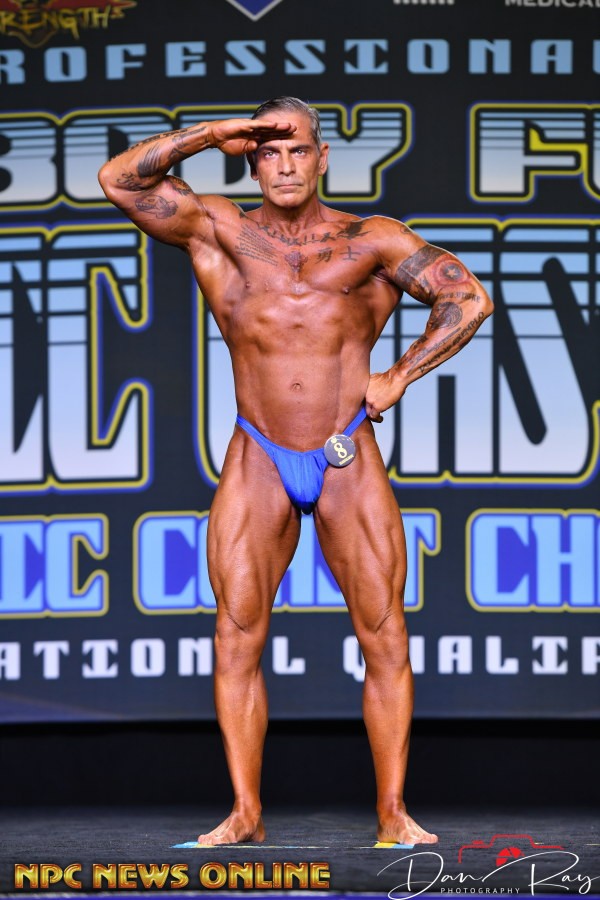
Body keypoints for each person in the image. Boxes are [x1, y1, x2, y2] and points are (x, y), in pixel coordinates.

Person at [98, 96, 493, 847]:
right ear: (252, 160)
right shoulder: (219, 228)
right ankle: (245, 814)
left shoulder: (371, 239)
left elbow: (467, 297)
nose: (285, 165)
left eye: (299, 150)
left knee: (384, 634)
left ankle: (392, 814)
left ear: (322, 157)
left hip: (348, 451)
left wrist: (400, 374)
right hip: (259, 452)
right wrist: (212, 133)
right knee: (236, 634)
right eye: (270, 151)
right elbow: (119, 180)